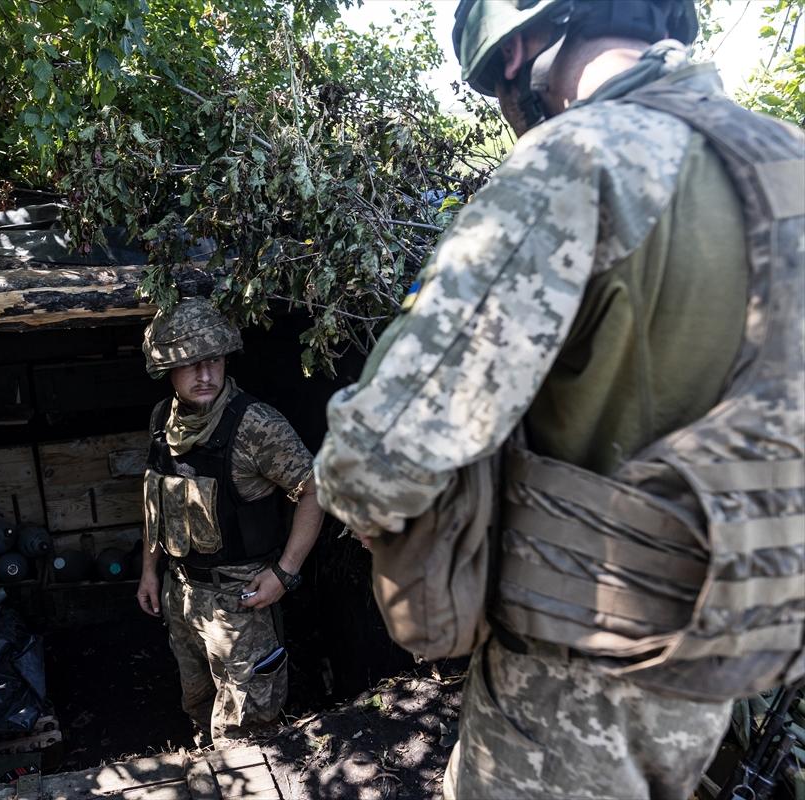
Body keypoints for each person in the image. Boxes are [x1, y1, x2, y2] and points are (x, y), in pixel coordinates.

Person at [313, 1, 804, 798]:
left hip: (578, 679)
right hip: (729, 662)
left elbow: (379, 456)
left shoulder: (584, 157)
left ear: (516, 59)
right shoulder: (790, 161)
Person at [136, 297, 324, 745]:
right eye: (190, 364)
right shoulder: (164, 419)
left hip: (240, 599)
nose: (205, 375)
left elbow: (317, 489)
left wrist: (285, 572)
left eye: (213, 360)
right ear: (168, 369)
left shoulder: (256, 425)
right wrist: (149, 570)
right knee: (198, 705)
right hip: (181, 593)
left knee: (248, 727)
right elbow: (156, 498)